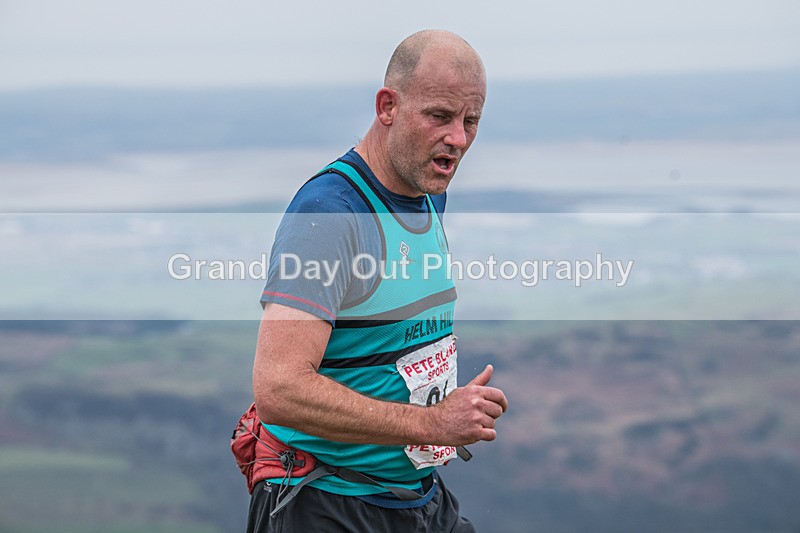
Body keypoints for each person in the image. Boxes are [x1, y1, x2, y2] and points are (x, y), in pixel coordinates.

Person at [248, 29, 509, 532]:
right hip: (326, 501)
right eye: (439, 116)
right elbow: (278, 388)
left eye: (470, 120)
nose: (457, 138)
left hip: (416, 498)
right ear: (387, 106)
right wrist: (433, 423)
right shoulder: (329, 212)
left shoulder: (428, 192)